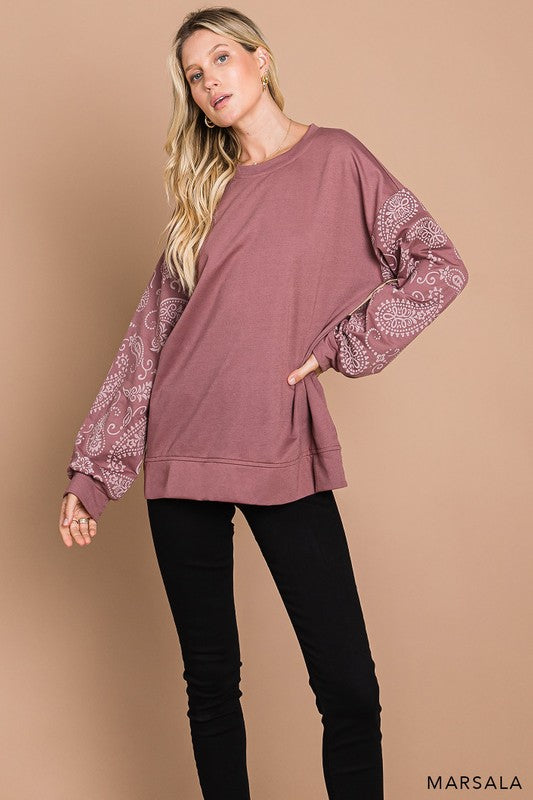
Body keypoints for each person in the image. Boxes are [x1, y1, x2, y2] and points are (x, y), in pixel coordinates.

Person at [58, 7, 469, 799]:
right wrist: (93, 474)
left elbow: (437, 265)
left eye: (220, 58)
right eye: (193, 74)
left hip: (280, 440)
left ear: (261, 59)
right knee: (211, 685)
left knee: (348, 687)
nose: (209, 81)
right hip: (180, 446)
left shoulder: (338, 159)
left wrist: (342, 345)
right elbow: (149, 339)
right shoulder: (203, 191)